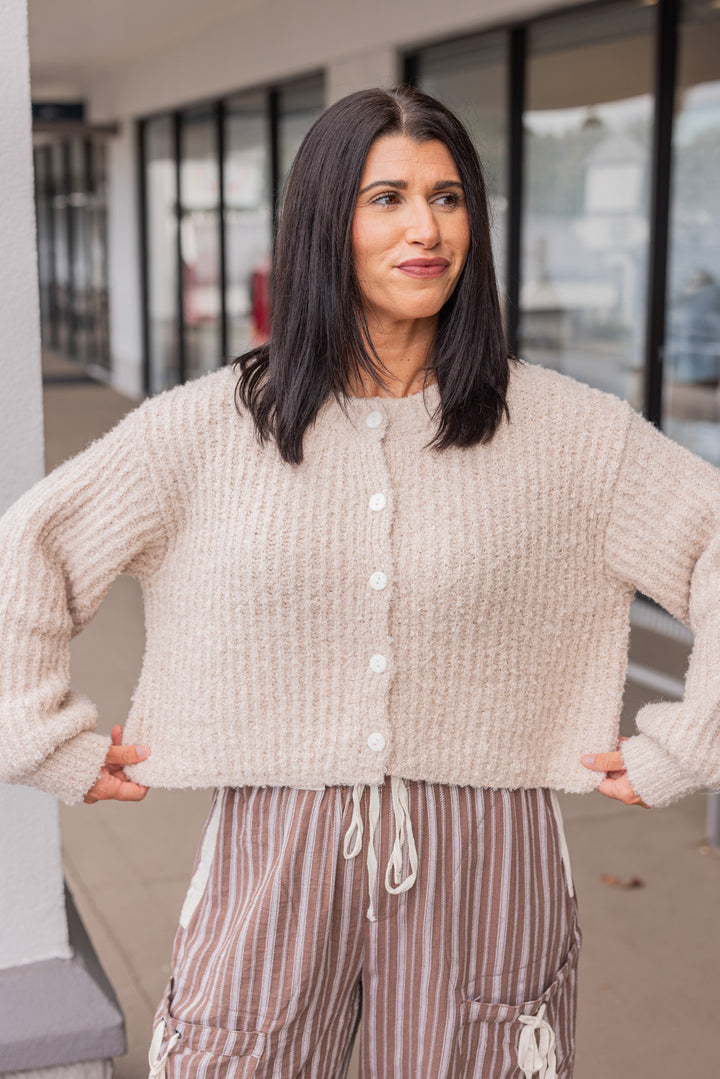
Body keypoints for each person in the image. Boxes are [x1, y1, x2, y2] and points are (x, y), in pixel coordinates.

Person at [1, 85, 719, 1079]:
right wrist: (38, 733)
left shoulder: (569, 435)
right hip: (277, 840)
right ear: (323, 223)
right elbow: (30, 549)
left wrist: (695, 738)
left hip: (487, 848)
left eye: (449, 196)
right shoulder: (208, 430)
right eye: (387, 197)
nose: (425, 227)